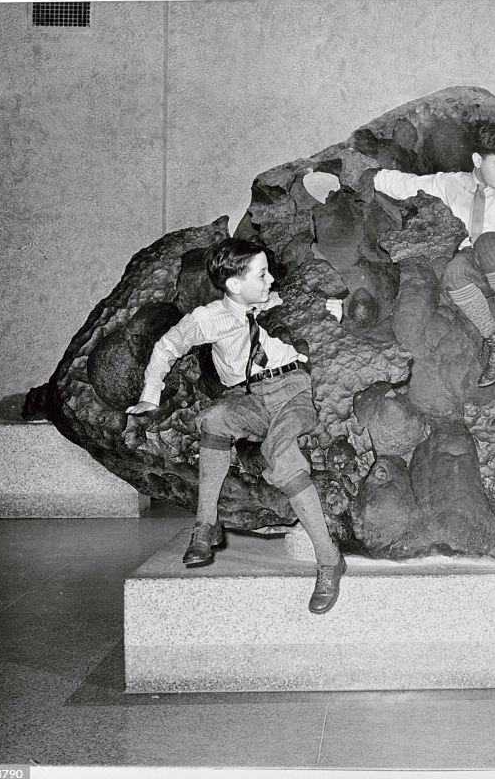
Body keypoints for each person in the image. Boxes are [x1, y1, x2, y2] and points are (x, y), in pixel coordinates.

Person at [126, 237, 347, 615]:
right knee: (214, 418)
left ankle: (328, 560)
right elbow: (166, 346)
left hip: (294, 392)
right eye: (261, 274)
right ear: (233, 284)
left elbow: (332, 317)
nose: (271, 279)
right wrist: (150, 395)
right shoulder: (211, 318)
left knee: (279, 454)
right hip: (250, 398)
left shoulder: (282, 302)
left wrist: (330, 310)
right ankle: (205, 524)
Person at [363, 120, 495, 387]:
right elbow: (410, 184)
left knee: (486, 243)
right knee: (453, 272)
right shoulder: (451, 184)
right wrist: (375, 177)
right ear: (477, 159)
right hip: (476, 263)